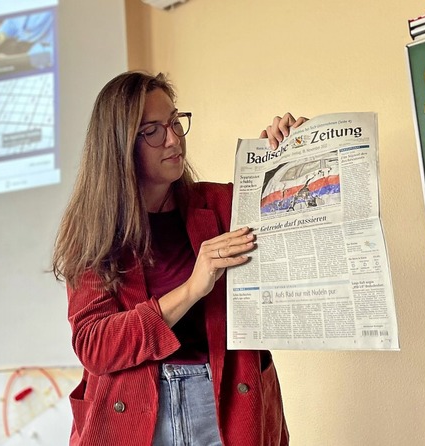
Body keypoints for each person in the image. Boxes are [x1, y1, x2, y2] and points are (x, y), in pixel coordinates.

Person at [52, 71, 306, 446]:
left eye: (174, 122)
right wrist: (191, 290)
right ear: (119, 145)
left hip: (228, 409)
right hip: (135, 417)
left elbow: (306, 232)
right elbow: (94, 345)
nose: (173, 140)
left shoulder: (221, 205)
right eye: (152, 130)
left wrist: (296, 150)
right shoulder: (94, 228)